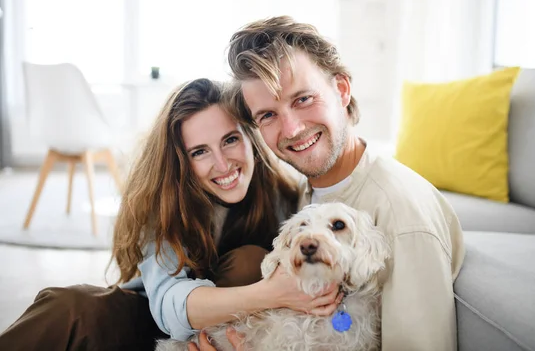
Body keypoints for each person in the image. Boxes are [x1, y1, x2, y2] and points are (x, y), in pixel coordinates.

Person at [0, 78, 342, 351]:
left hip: (241, 332)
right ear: (182, 161)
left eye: (230, 140)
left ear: (250, 137)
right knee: (70, 306)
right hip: (155, 322)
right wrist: (272, 293)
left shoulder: (288, 196)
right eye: (199, 151)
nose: (222, 165)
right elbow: (167, 308)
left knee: (251, 262)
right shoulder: (166, 202)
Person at [223, 16, 466, 351]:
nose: (292, 129)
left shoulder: (402, 214)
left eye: (303, 99)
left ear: (341, 89)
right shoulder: (309, 190)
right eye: (268, 115)